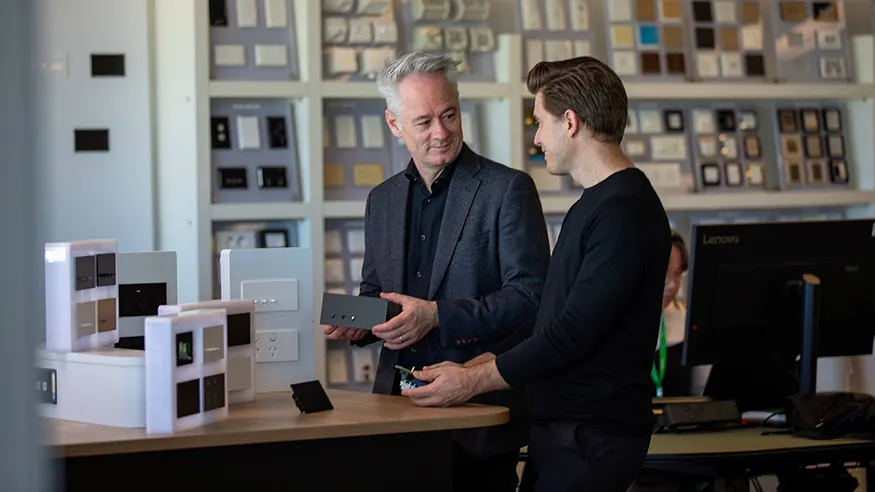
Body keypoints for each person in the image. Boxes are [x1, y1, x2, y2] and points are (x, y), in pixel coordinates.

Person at [402, 56, 672, 492]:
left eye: (539, 122)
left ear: (570, 122)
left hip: (592, 435)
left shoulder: (624, 211)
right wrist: (481, 362)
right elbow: (554, 321)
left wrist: (472, 380)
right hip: (566, 432)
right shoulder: (595, 205)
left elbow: (572, 334)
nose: (536, 137)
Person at [321, 51, 551, 492]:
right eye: (424, 122)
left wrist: (437, 315)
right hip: (396, 413)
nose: (442, 132)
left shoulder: (508, 189)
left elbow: (531, 299)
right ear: (394, 124)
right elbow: (378, 293)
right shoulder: (381, 201)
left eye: (449, 114)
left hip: (478, 415)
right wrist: (359, 321)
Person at [651, 230, 693, 398]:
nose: (673, 285)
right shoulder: (611, 325)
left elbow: (701, 394)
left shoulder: (685, 321)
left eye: (677, 273)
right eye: (664, 273)